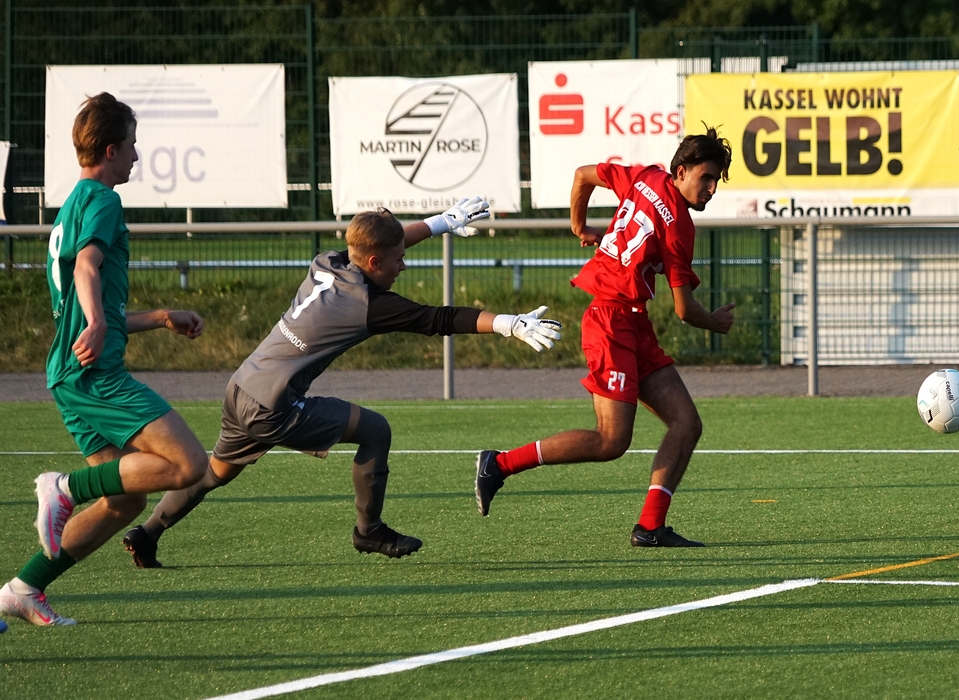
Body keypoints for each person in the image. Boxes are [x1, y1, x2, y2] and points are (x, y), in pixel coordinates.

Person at [121, 202, 562, 568]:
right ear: (374, 264)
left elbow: (382, 244)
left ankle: (147, 533)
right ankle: (369, 531)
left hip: (242, 386)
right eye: (398, 260)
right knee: (375, 430)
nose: (403, 264)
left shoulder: (328, 262)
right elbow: (440, 319)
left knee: (215, 472)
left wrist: (441, 223)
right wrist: (508, 323)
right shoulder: (368, 305)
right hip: (273, 406)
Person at [0, 93, 208, 627]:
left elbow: (88, 298)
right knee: (189, 465)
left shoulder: (71, 205)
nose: (137, 156)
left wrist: (158, 317)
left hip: (69, 373)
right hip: (94, 375)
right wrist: (95, 324)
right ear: (111, 150)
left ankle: (23, 588)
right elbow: (86, 269)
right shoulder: (103, 201)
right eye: (132, 145)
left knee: (123, 501)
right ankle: (63, 487)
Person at [474, 127, 735, 548]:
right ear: (681, 172)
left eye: (716, 180)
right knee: (611, 440)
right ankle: (499, 464)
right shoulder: (680, 228)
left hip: (632, 323)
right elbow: (685, 310)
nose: (711, 189)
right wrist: (715, 322)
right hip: (611, 323)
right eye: (706, 178)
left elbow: (582, 175)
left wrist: (578, 225)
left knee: (686, 423)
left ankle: (650, 527)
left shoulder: (646, 176)